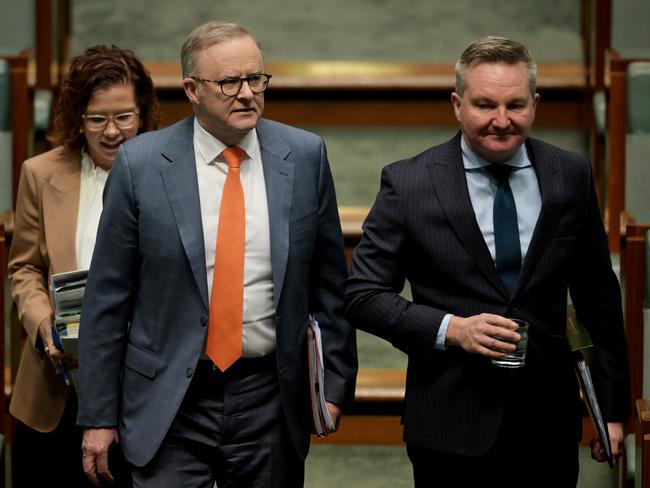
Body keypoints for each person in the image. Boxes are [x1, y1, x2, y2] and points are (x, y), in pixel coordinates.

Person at [77, 20, 357, 487]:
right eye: (229, 82)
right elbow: (107, 300)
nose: (247, 94)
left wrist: (333, 386)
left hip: (269, 393)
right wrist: (99, 415)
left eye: (256, 80)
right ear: (192, 88)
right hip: (169, 396)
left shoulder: (305, 156)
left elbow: (330, 285)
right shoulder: (141, 165)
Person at [344, 36, 630, 487]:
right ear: (458, 104)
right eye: (484, 105)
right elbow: (362, 295)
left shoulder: (569, 175)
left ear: (535, 104)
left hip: (547, 424)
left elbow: (598, 297)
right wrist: (451, 329)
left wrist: (611, 411)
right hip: (449, 424)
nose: (501, 121)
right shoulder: (408, 183)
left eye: (515, 105)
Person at [8, 45, 159, 487]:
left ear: (142, 113)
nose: (112, 132)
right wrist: (42, 324)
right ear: (77, 118)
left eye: (124, 117)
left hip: (140, 385)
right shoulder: (40, 173)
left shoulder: (171, 175)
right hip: (58, 387)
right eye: (97, 119)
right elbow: (25, 269)